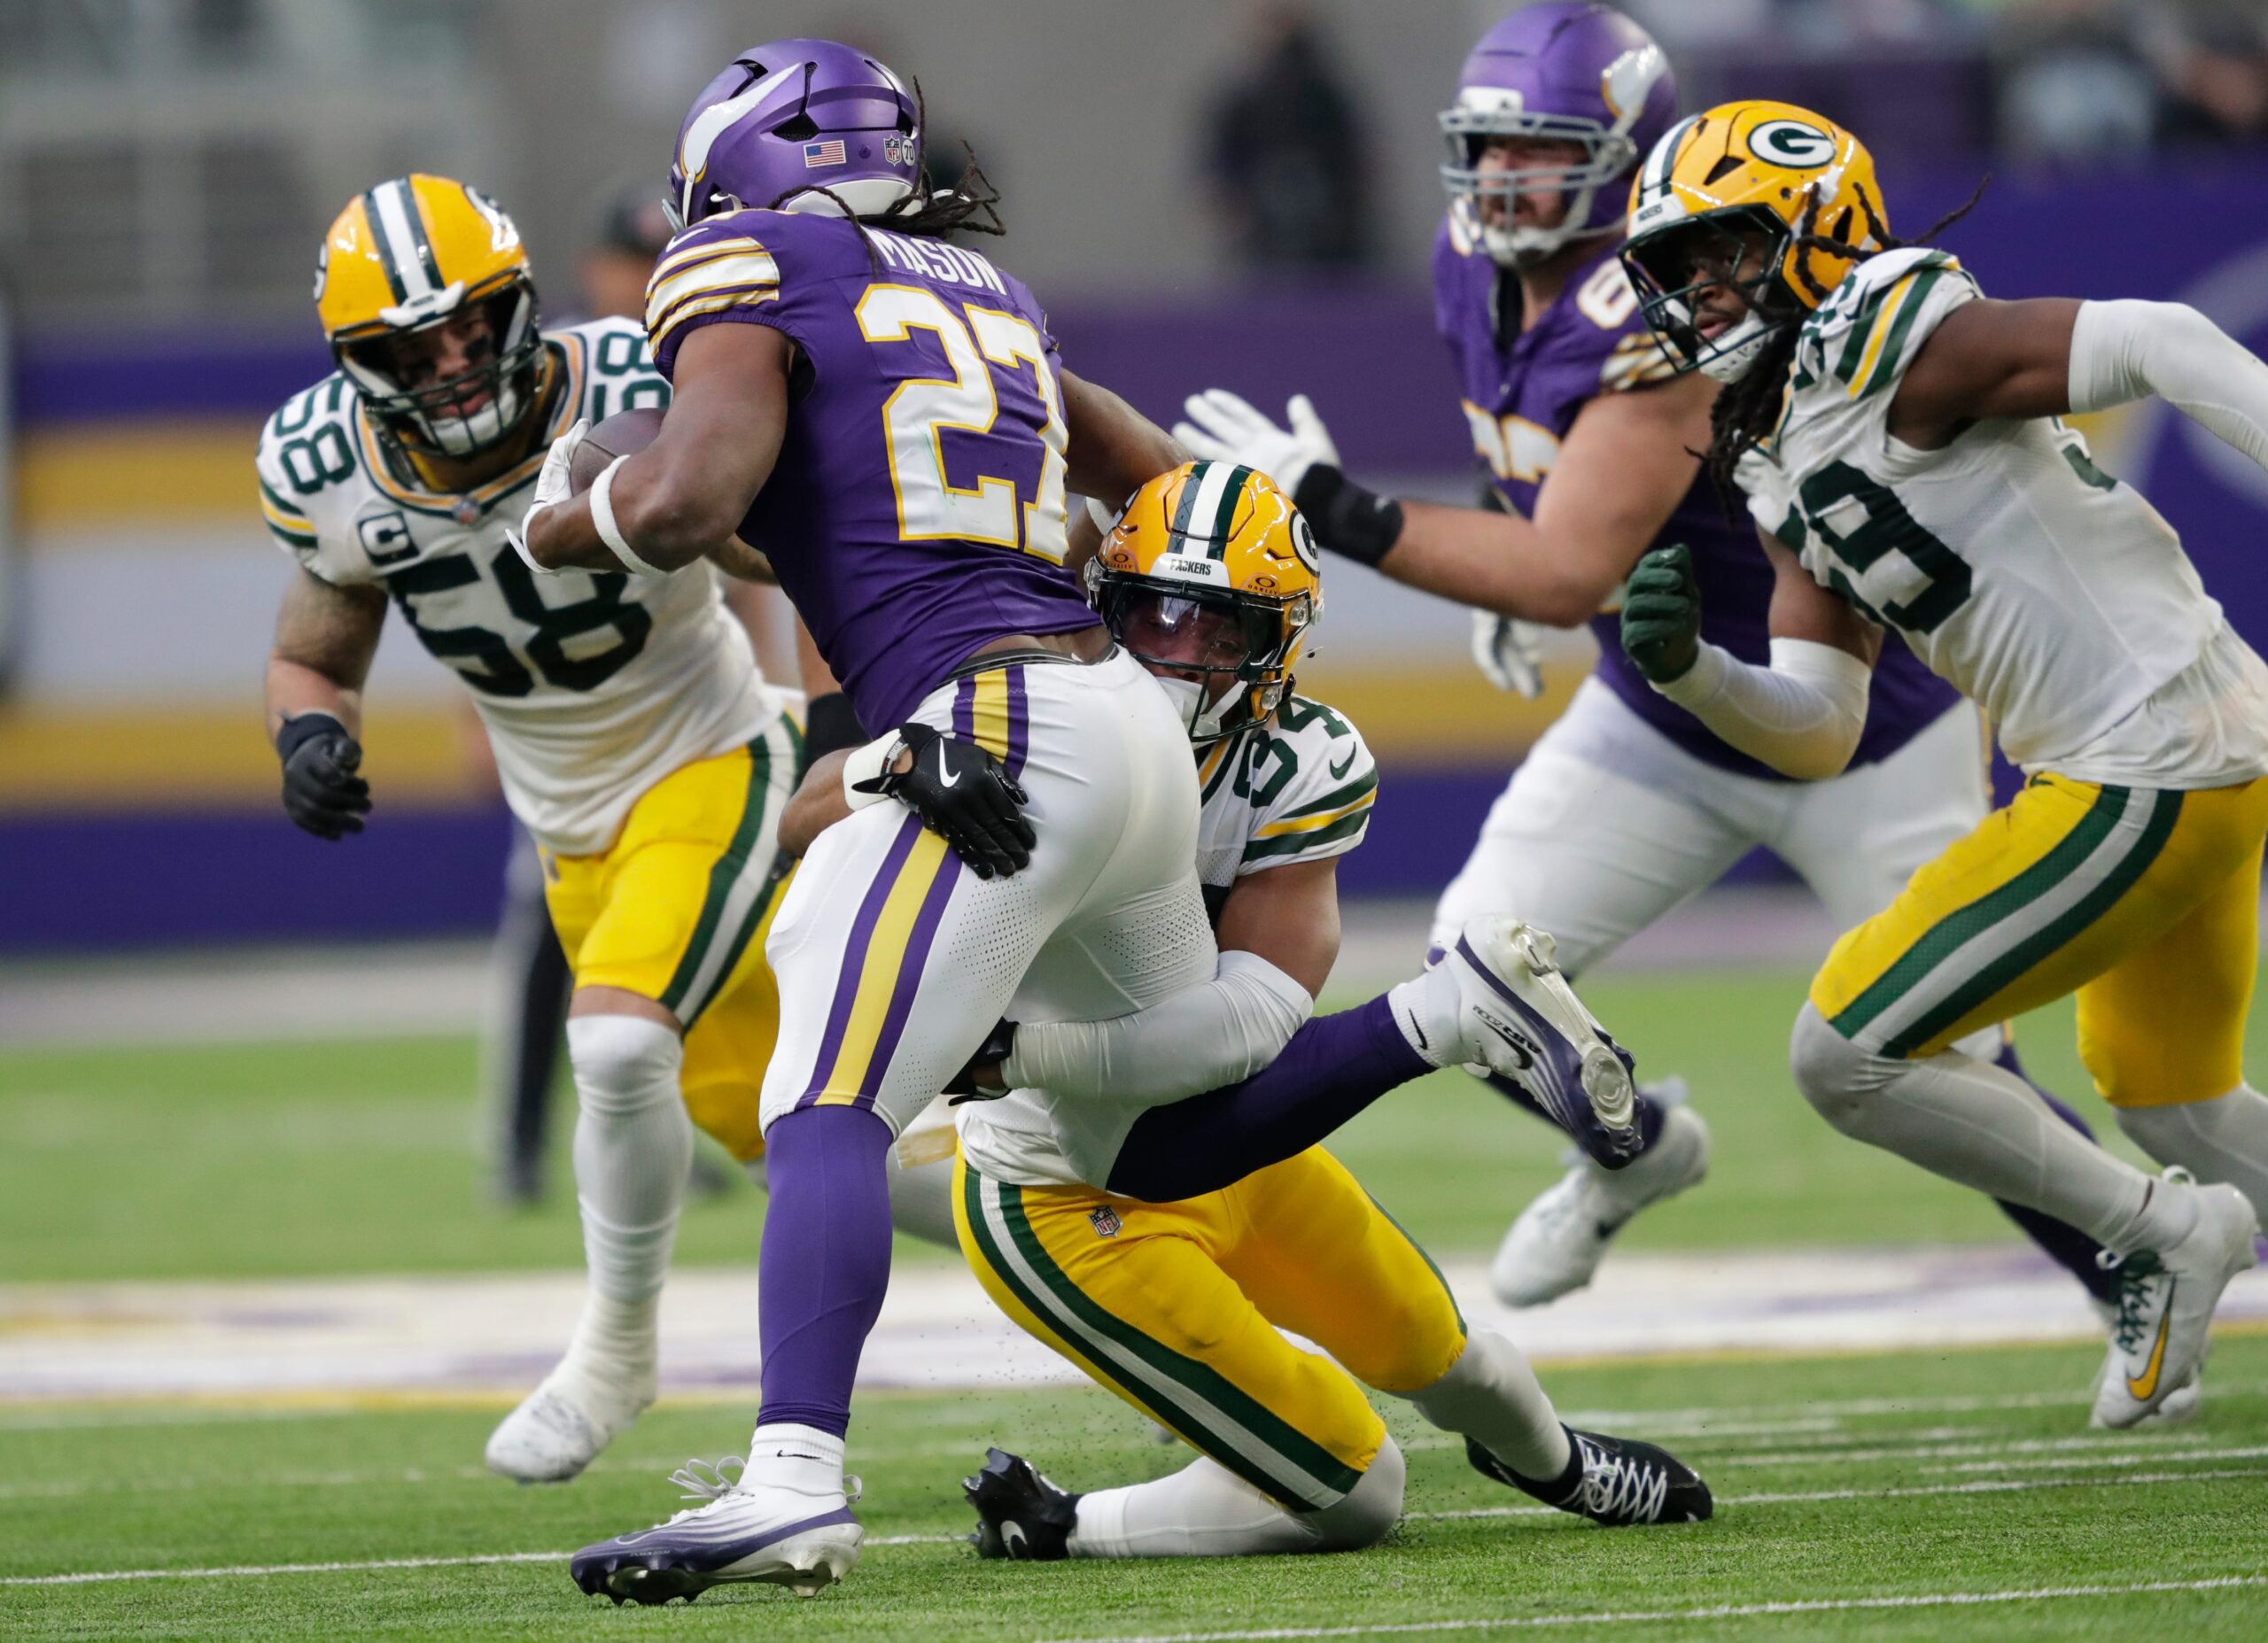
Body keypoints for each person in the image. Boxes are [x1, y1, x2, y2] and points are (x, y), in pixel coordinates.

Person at [1172, 4, 2123, 1338]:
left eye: (1541, 151)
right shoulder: (1470, 260)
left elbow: (1568, 567)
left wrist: (1335, 502)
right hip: (1661, 714)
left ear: (1623, 158)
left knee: (1942, 1059)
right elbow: (1541, 478)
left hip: (1857, 725)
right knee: (1476, 969)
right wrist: (1495, 545)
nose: (1505, 180)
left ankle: (2134, 1262)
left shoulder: (1669, 310)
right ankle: (1637, 1145)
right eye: (1491, 148)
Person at [255, 175, 941, 1500]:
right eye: (415, 346)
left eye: (473, 326)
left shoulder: (629, 373)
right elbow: (314, 651)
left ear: (518, 306)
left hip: (715, 757)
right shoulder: (326, 466)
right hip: (571, 829)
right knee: (810, 1133)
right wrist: (309, 733)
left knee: (619, 1041)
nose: (455, 363)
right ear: (361, 364)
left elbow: (784, 540)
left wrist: (820, 680)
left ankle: (616, 1353)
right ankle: (1088, 1250)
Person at [1613, 97, 2268, 1430]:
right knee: (2173, 1098)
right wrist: (1693, 673)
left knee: (1843, 1047)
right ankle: (2177, 1215)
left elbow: (2163, 337)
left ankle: (2162, 1235)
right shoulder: (1783, 434)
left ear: (1815, 228)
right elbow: (1821, 722)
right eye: (1676, 269)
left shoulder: (1883, 332)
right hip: (2172, 748)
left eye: (1720, 251)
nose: (1697, 293)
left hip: (2142, 757)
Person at [950, 463, 1709, 1559]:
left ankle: (1556, 1464)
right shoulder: (1022, 725)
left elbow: (1248, 1027)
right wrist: (905, 761)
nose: (1183, 654)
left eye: (1224, 629)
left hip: (1224, 1134)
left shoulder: (1300, 760)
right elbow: (828, 798)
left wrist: (1016, 1050)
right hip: (1062, 1192)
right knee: (1358, 1491)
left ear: (1281, 643)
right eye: (1159, 614)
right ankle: (1058, 1523)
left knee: (1458, 1362)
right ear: (1102, 603)